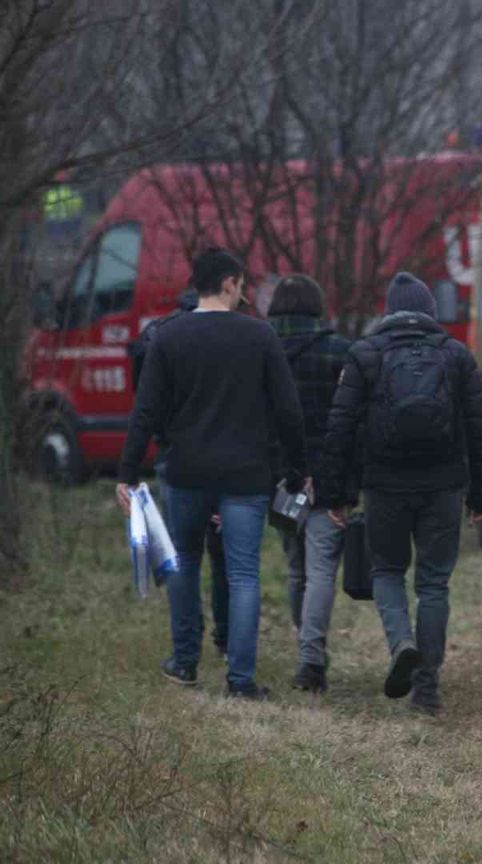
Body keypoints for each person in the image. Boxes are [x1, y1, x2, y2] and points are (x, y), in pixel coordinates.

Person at [116, 247, 307, 700]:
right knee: (243, 574)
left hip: (185, 471)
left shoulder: (168, 337)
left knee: (183, 562)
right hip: (246, 475)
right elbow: (288, 411)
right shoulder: (259, 337)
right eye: (240, 284)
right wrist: (299, 471)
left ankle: (184, 662)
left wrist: (125, 473)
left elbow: (145, 412)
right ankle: (240, 680)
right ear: (228, 283)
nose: (242, 292)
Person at [321, 272, 482, 714]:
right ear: (430, 312)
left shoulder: (365, 355)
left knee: (387, 572)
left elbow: (340, 426)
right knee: (434, 582)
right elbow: (481, 429)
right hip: (443, 485)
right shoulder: (456, 355)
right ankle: (427, 685)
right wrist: (481, 495)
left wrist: (335, 493)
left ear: (387, 311)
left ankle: (401, 642)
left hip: (384, 484)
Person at [130, 287, 230, 658]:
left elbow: (142, 401)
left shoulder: (157, 335)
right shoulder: (226, 334)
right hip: (222, 458)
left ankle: (187, 647)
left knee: (183, 554)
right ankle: (226, 636)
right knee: (223, 554)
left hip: (174, 457)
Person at [267, 274, 353, 693]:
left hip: (280, 480)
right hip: (326, 478)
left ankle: (307, 649)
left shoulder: (261, 349)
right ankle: (310, 660)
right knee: (321, 570)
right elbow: (349, 421)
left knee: (296, 568)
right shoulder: (339, 350)